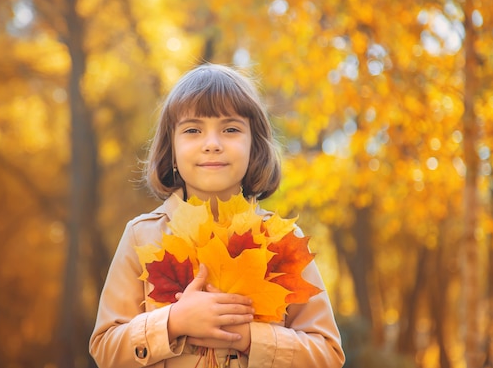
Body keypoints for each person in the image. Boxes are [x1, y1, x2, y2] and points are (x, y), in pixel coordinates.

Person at [89, 63, 345, 368]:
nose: (212, 144)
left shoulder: (280, 242)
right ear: (171, 149)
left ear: (255, 146)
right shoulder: (141, 237)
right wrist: (172, 323)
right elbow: (105, 348)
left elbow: (327, 353)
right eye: (193, 130)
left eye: (231, 129)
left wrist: (249, 337)